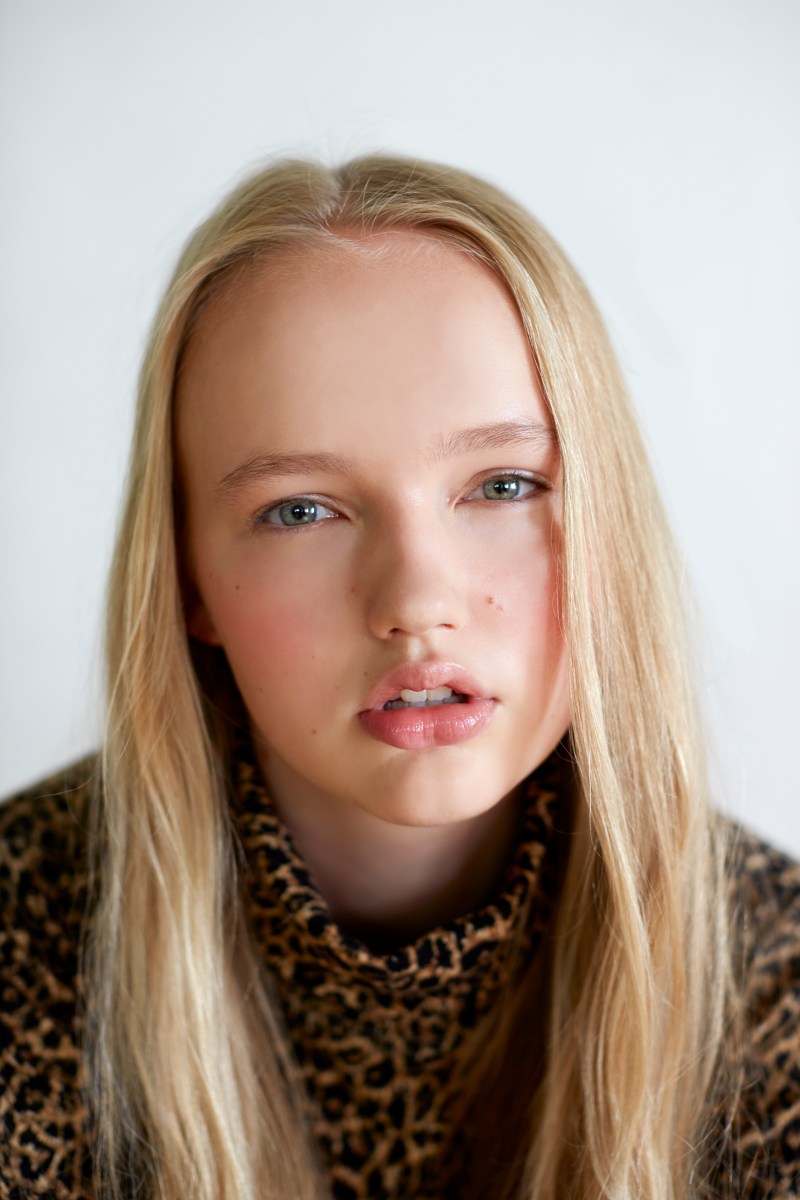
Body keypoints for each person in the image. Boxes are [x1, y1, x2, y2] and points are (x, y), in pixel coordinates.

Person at [1, 155, 799, 1200]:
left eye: (502, 486)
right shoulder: (21, 952)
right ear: (187, 579)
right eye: (300, 510)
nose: (417, 599)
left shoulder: (775, 984)